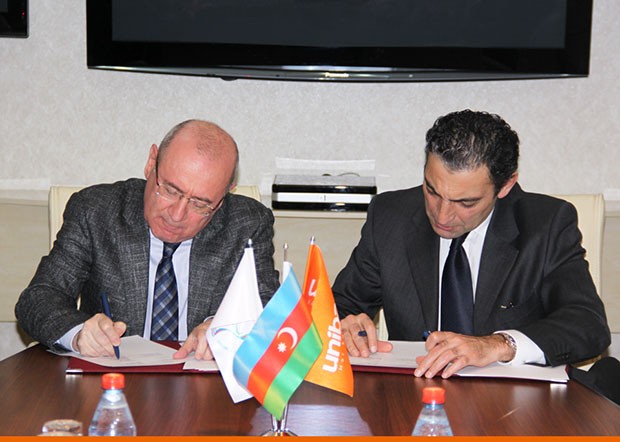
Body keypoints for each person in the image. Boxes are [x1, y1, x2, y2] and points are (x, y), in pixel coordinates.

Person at [332, 110, 610, 378]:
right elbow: (338, 306)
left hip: (511, 403)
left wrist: (499, 345)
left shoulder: (546, 225)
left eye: (465, 202)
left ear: (506, 186)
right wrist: (346, 326)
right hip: (413, 394)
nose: (442, 215)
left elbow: (587, 325)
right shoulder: (391, 216)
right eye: (432, 191)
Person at [15, 119, 280, 360]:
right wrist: (79, 333)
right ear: (151, 163)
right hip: (111, 384)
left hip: (204, 387)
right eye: (170, 190)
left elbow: (270, 311)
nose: (177, 214)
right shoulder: (96, 211)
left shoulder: (247, 223)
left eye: (200, 204)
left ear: (224, 195)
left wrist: (224, 330)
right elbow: (39, 298)